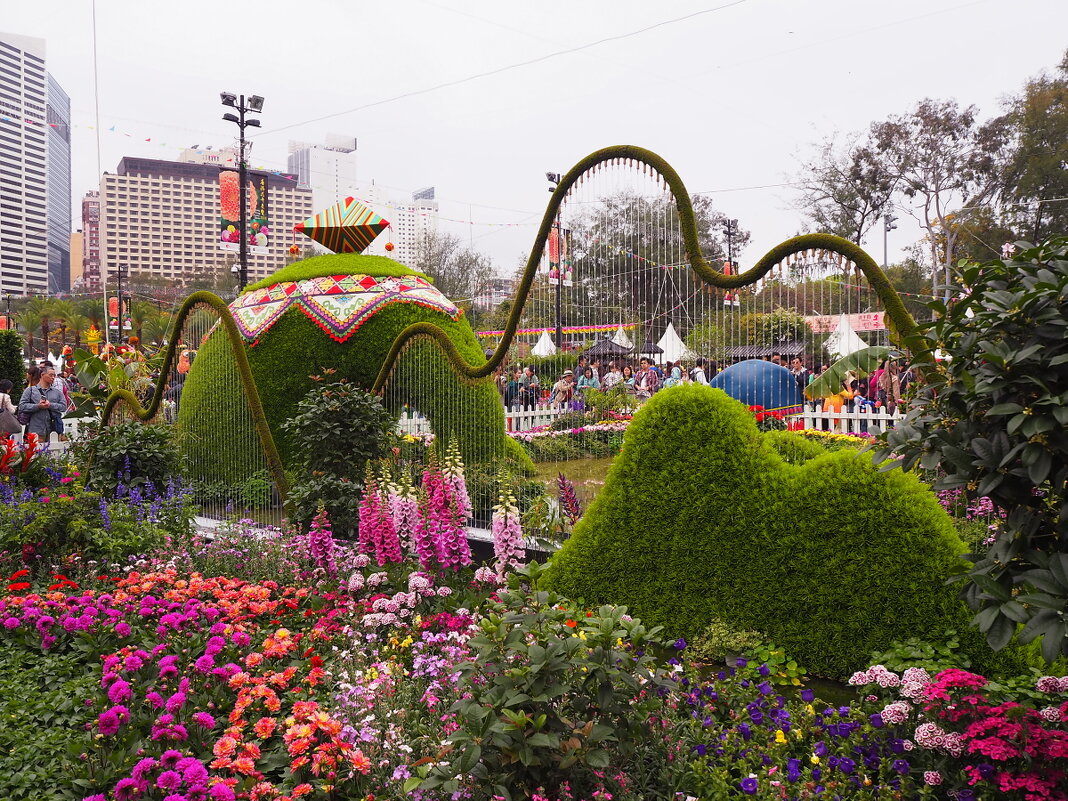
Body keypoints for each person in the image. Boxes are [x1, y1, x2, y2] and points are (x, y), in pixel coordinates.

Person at [18, 363, 66, 439]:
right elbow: (22, 406)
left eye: (54, 375)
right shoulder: (30, 391)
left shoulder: (58, 392)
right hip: (36, 429)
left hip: (54, 430)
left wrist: (50, 405)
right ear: (42, 375)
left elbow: (63, 407)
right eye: (50, 375)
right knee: (36, 450)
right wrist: (38, 406)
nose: (53, 377)